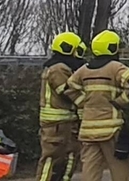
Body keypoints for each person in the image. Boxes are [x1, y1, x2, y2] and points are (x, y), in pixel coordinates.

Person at [65, 30, 129, 181]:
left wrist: (83, 103)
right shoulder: (115, 67)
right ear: (112, 48)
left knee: (90, 170)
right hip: (111, 129)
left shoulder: (83, 70)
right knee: (120, 167)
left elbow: (69, 87)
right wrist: (120, 102)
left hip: (88, 130)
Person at [37, 32, 86, 181]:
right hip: (56, 124)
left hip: (68, 122)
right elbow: (67, 92)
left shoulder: (63, 67)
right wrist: (89, 102)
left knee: (72, 154)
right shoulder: (58, 68)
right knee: (51, 157)